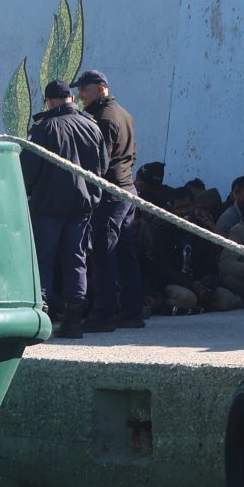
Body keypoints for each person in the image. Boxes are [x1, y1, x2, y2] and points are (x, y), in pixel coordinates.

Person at [22, 80, 104, 337]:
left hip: (48, 205)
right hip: (82, 206)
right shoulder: (92, 126)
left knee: (44, 260)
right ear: (70, 99)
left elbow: (27, 170)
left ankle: (43, 319)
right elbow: (102, 167)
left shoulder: (44, 128)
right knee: (76, 261)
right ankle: (73, 319)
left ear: (49, 101)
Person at [72, 70, 145, 331]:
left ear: (101, 88)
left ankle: (102, 315)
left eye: (84, 89)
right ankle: (132, 311)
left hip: (111, 192)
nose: (80, 95)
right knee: (125, 254)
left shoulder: (102, 118)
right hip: (127, 189)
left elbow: (99, 162)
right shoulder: (124, 114)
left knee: (104, 253)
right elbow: (131, 154)